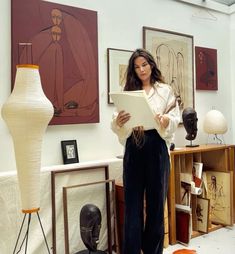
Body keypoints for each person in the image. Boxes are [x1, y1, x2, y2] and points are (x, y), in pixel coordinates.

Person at [111, 48, 180, 254]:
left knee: (156, 205)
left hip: (156, 148)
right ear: (133, 69)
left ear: (151, 65)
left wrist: (165, 119)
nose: (141, 69)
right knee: (132, 206)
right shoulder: (128, 92)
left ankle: (153, 251)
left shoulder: (165, 90)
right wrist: (119, 122)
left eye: (144, 64)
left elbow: (175, 118)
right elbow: (116, 124)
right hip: (134, 147)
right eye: (137, 66)